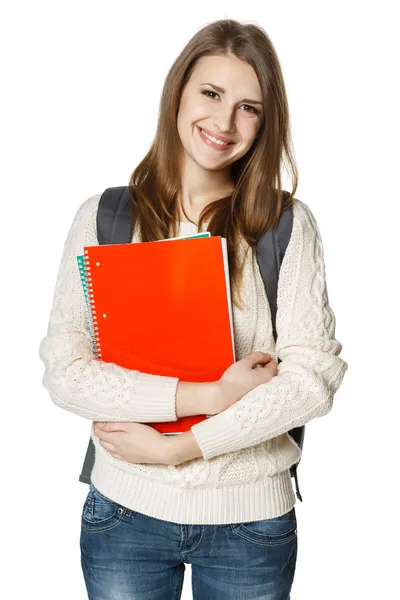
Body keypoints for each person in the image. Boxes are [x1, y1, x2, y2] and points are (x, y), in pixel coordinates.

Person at [39, 18, 348, 600]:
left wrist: (180, 446)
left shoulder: (285, 226)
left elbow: (314, 380)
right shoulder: (105, 220)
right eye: (211, 94)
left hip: (250, 524)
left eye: (249, 107)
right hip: (125, 514)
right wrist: (209, 396)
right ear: (178, 92)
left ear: (266, 122)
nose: (224, 123)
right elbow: (67, 371)